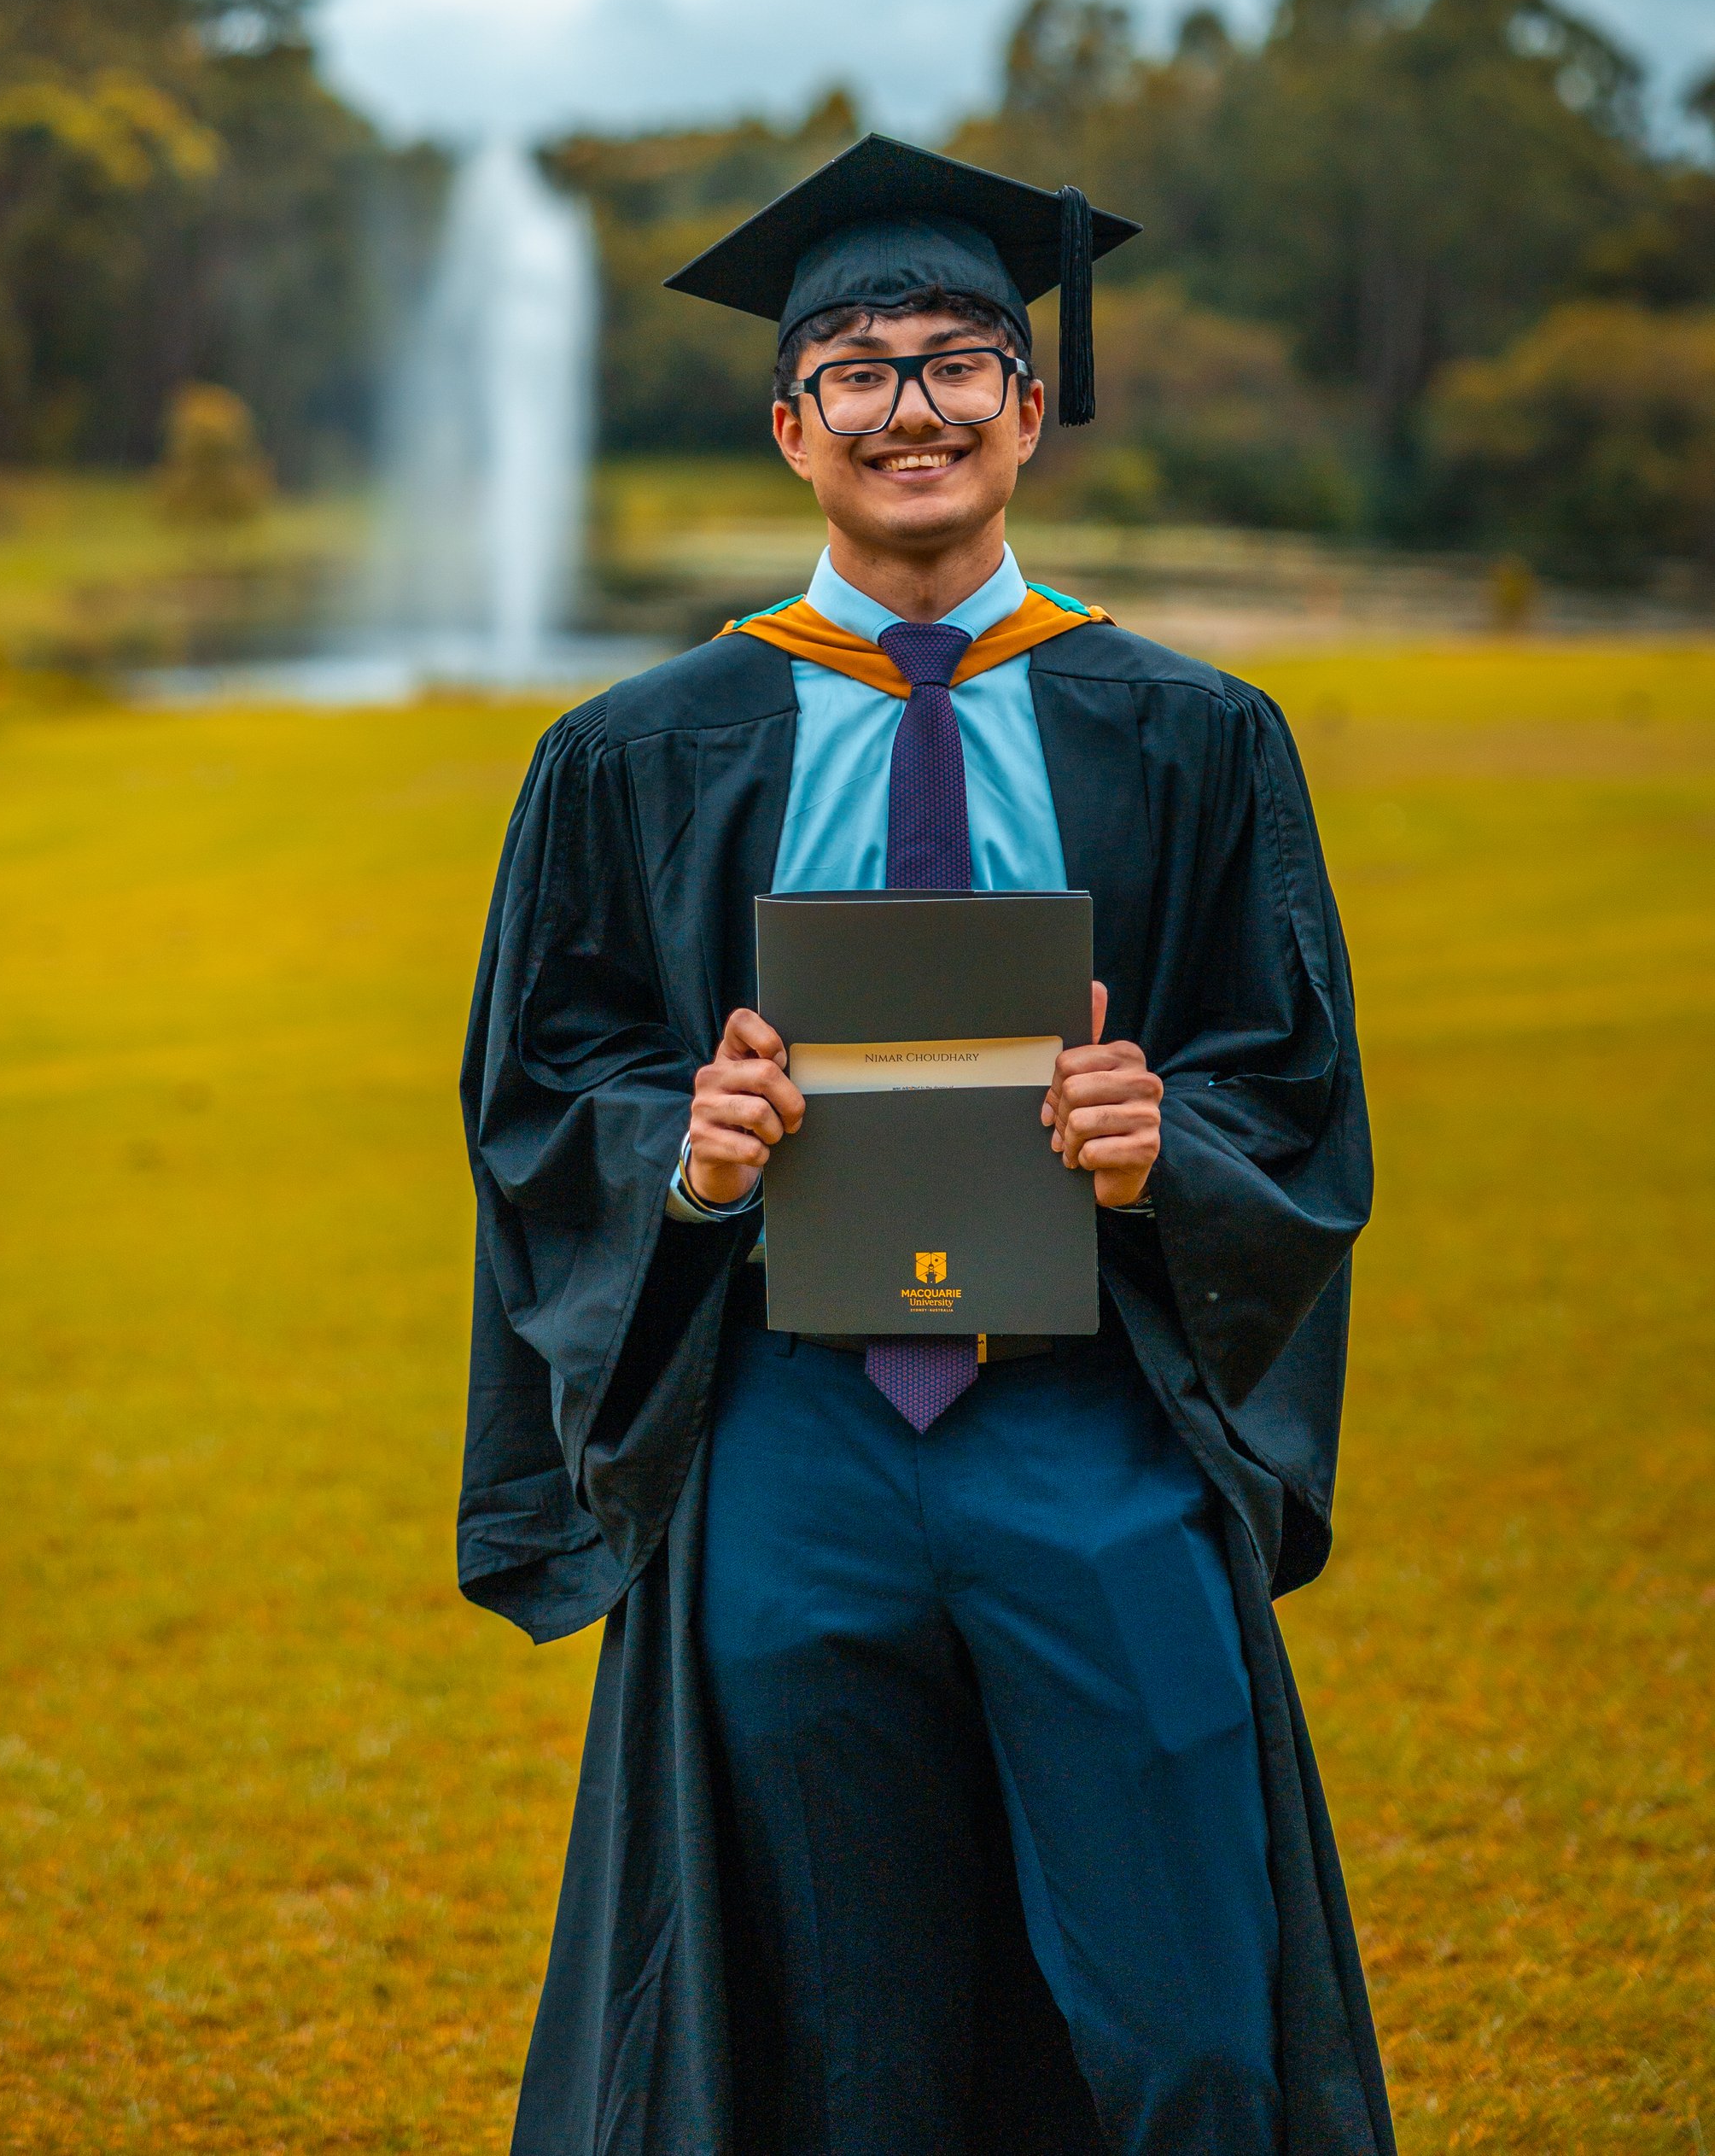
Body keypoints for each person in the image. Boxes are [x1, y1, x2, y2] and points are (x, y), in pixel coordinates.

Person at [457, 132, 1393, 2156]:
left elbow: (1286, 1091)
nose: (913, 406)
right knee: (829, 2035)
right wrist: (684, 1151)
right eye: (861, 369)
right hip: (790, 1444)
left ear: (1029, 409)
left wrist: (1167, 1145)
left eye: (959, 359)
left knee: (1192, 2033)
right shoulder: (638, 751)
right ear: (788, 424)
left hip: (1090, 1436)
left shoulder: (1190, 734)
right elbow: (546, 1092)